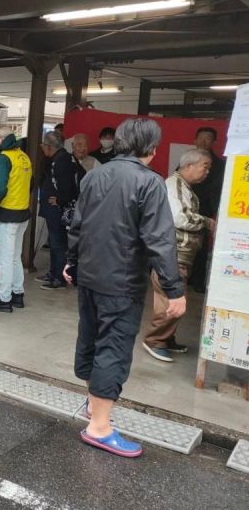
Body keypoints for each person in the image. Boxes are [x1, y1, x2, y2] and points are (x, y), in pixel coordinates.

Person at [65, 117, 185, 458]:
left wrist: (71, 262)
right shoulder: (150, 182)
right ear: (151, 148)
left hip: (88, 276)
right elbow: (160, 241)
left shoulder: (94, 175)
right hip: (122, 282)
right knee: (113, 348)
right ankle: (99, 428)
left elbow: (78, 223)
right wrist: (174, 290)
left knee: (91, 339)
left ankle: (94, 404)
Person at [142, 149, 213, 362]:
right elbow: (179, 218)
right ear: (189, 165)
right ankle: (155, 340)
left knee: (173, 299)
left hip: (179, 255)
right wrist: (207, 222)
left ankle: (167, 337)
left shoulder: (184, 187)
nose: (207, 172)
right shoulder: (175, 185)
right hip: (172, 255)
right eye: (205, 166)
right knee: (171, 300)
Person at [0, 127, 32, 313]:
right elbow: (30, 183)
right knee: (15, 256)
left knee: (5, 259)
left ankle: (4, 299)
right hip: (22, 214)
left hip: (8, 215)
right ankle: (18, 294)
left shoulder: (3, 158)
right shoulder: (23, 156)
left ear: (1, 139)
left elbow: (0, 189)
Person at [188, 126, 226, 292]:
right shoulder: (186, 159)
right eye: (201, 138)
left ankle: (197, 281)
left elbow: (218, 190)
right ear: (194, 140)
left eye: (208, 138)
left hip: (205, 208)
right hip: (185, 208)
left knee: (201, 248)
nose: (203, 142)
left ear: (214, 142)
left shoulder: (219, 164)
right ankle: (183, 278)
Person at [38, 131, 77, 290]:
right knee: (55, 243)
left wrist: (60, 200)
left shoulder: (61, 161)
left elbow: (67, 187)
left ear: (49, 146)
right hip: (52, 208)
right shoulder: (59, 158)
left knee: (58, 244)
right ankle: (53, 272)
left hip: (57, 209)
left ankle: (59, 277)